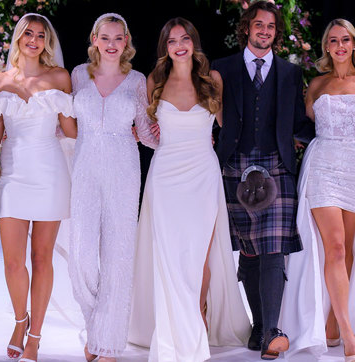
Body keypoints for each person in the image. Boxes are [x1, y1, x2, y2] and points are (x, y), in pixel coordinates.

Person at [128, 17, 250, 362]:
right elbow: (149, 131)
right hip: (166, 174)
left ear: (194, 43)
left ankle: (197, 319)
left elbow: (230, 125)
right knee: (169, 255)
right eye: (171, 40)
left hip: (202, 173)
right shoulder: (154, 81)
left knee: (199, 256)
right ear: (164, 47)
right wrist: (134, 135)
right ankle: (173, 329)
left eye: (185, 39)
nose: (179, 45)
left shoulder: (212, 81)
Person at [281, 19, 355, 362]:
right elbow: (304, 127)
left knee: (347, 250)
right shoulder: (317, 85)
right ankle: (349, 337)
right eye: (333, 40)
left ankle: (335, 320)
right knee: (333, 247)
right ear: (326, 47)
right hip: (323, 165)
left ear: (353, 44)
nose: (339, 46)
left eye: (345, 39)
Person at [210, 1, 314, 359]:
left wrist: (335, 133)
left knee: (273, 249)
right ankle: (260, 325)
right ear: (247, 28)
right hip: (235, 166)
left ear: (277, 32)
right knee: (251, 250)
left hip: (278, 166)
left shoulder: (289, 73)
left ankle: (271, 331)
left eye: (271, 26)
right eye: (259, 25)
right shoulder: (221, 69)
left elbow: (299, 122)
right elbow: (204, 109)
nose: (265, 31)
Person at [68, 12, 158, 362]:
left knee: (119, 257)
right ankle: (96, 329)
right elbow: (66, 123)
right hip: (86, 168)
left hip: (124, 167)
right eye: (104, 38)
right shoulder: (77, 75)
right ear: (94, 40)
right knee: (81, 258)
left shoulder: (137, 80)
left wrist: (184, 138)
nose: (111, 44)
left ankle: (108, 345)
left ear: (126, 42)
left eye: (118, 38)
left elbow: (146, 130)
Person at [0, 13, 76, 362]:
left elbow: (71, 131)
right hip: (11, 174)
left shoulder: (59, 77)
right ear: (19, 38)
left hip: (50, 173)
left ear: (46, 41)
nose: (34, 40)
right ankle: (19, 320)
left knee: (41, 258)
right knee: (12, 262)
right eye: (28, 34)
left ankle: (35, 337)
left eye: (41, 35)